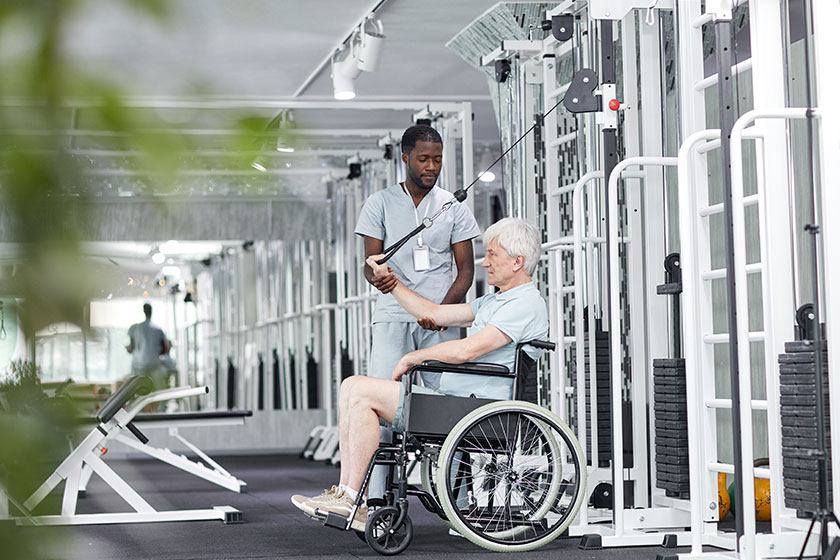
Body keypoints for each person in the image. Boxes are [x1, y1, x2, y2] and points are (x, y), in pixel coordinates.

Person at [291, 217, 548, 532]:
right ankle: (347, 495)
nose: (484, 263)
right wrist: (391, 281)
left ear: (517, 261)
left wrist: (414, 356)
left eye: (492, 255)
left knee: (360, 392)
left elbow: (467, 351)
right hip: (458, 402)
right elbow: (434, 313)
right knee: (352, 387)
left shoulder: (525, 305)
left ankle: (350, 498)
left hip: (476, 410)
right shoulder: (496, 301)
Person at [354, 123, 481, 498]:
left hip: (440, 321)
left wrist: (442, 314)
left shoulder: (453, 205)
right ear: (405, 158)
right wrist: (376, 276)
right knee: (380, 404)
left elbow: (466, 271)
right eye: (424, 159)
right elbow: (370, 264)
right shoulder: (379, 203)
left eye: (437, 159)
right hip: (392, 316)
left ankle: (458, 499)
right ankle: (377, 497)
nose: (432, 166)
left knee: (450, 406)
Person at [126, 303, 170, 390]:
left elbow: (131, 348)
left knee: (140, 389)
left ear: (143, 311)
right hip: (154, 364)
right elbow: (166, 346)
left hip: (139, 364)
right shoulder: (158, 329)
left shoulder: (135, 328)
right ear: (151, 312)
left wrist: (128, 349)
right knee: (156, 390)